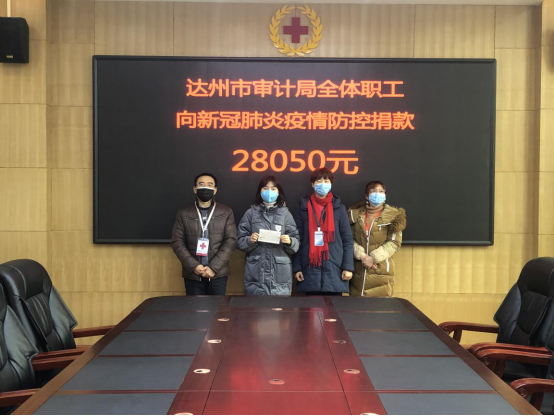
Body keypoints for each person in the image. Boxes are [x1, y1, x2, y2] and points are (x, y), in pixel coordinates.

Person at [171, 173, 237, 296]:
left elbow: (231, 241)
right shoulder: (183, 213)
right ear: (195, 189)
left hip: (218, 274)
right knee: (194, 307)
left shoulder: (226, 212)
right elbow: (177, 242)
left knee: (217, 307)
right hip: (193, 274)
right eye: (201, 184)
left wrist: (213, 267)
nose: (205, 188)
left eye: (210, 185)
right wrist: (194, 266)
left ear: (215, 190)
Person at [293, 168, 354, 296]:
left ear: (331, 184)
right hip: (309, 271)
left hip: (335, 270)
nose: (322, 184)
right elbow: (298, 240)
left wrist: (347, 267)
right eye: (319, 181)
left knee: (334, 309)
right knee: (310, 308)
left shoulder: (339, 208)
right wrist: (297, 268)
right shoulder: (303, 208)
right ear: (312, 184)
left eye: (326, 181)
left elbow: (347, 240)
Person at [237, 176, 300, 296]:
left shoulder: (286, 214)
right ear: (260, 191)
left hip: (280, 279)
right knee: (255, 308)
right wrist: (250, 240)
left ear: (278, 192)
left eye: (273, 188)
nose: (269, 192)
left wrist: (290, 241)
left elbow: (296, 242)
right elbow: (239, 240)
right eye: (265, 188)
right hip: (256, 278)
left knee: (280, 309)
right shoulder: (250, 213)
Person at [348, 181, 407, 297]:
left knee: (380, 306)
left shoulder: (394, 216)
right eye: (374, 191)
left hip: (381, 269)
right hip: (358, 269)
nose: (377, 194)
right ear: (367, 196)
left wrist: (373, 258)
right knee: (357, 305)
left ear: (385, 195)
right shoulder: (354, 215)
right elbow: (348, 239)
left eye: (381, 191)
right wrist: (362, 256)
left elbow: (394, 242)